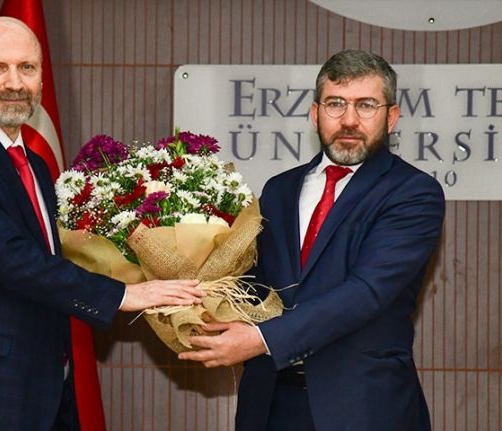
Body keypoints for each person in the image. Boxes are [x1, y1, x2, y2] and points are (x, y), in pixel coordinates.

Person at [0, 16, 203, 431]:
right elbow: (7, 257)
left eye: (27, 67)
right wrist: (122, 294)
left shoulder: (34, 165)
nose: (14, 83)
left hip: (36, 388)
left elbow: (47, 261)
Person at [179, 49, 445, 431]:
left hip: (362, 407)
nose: (349, 120)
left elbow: (366, 292)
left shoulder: (413, 192)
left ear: (391, 116)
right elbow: (256, 286)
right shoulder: (279, 189)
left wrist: (262, 340)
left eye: (366, 105)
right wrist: (190, 296)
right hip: (269, 403)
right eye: (336, 104)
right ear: (315, 113)